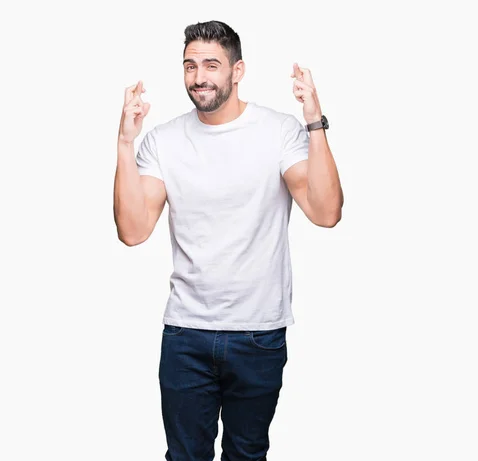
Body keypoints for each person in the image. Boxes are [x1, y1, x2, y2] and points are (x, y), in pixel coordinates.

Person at [113, 19, 343, 461]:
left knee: (247, 454)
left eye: (212, 65)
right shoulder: (162, 141)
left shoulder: (278, 132)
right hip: (186, 335)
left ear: (237, 71)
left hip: (258, 333)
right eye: (190, 66)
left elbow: (326, 212)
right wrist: (125, 141)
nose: (199, 77)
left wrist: (314, 121)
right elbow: (133, 231)